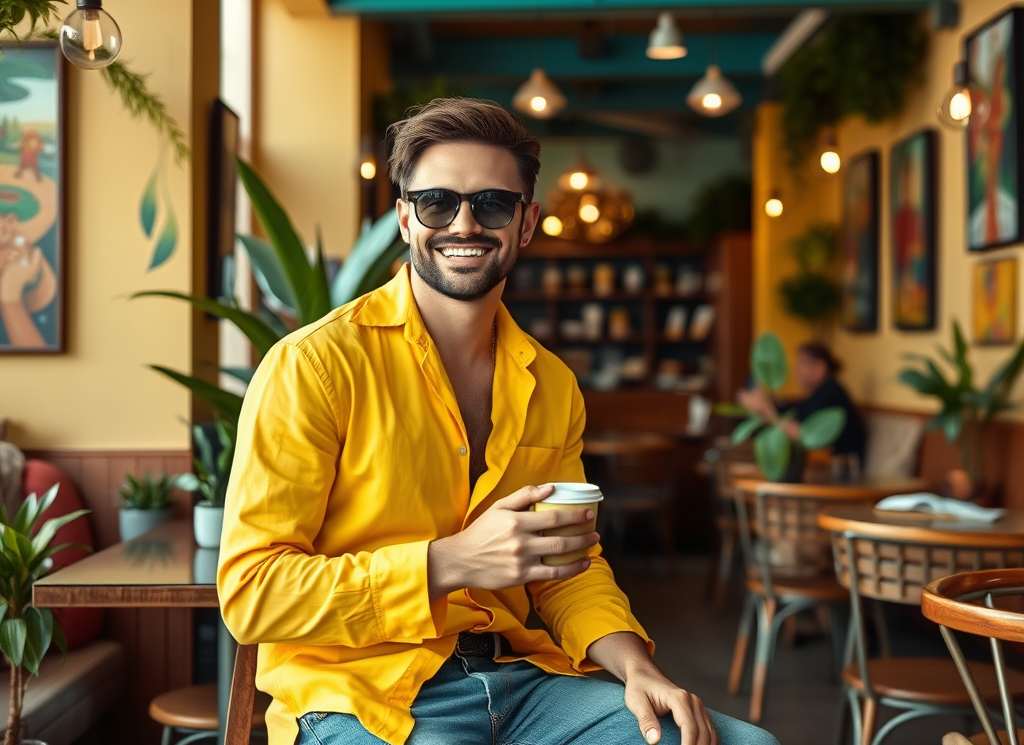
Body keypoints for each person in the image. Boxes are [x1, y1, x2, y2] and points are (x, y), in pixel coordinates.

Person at [218, 98, 779, 745]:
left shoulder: (553, 385)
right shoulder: (313, 366)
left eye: (491, 204)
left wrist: (636, 667)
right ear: (405, 219)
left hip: (518, 683)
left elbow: (567, 562)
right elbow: (252, 592)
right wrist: (446, 564)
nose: (464, 223)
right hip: (361, 691)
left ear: (527, 222)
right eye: (436, 203)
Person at [738, 341, 866, 466]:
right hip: (819, 466)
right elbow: (793, 414)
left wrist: (765, 409)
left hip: (837, 470)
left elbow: (804, 435)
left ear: (820, 367)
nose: (796, 371)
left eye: (801, 363)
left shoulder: (831, 394)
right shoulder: (818, 394)